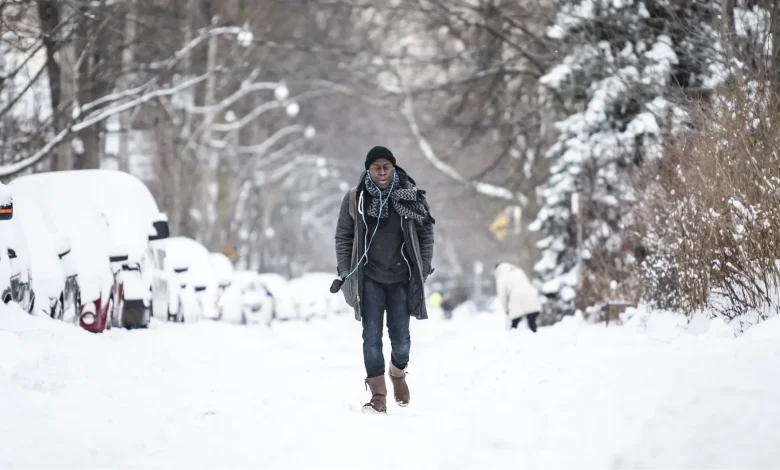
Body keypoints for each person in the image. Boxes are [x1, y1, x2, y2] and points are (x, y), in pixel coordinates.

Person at [333, 146, 435, 414]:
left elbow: (426, 235)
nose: (381, 172)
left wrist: (422, 269)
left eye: (386, 167)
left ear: (393, 168)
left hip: (401, 278)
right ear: (368, 169)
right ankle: (378, 396)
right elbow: (343, 237)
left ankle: (398, 373)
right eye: (376, 167)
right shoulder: (356, 199)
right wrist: (346, 271)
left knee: (401, 340)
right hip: (370, 279)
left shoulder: (411, 197)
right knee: (371, 337)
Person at [493, 262, 542, 332]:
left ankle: (512, 339)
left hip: (517, 299)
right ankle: (536, 337)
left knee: (514, 324)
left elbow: (502, 296)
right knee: (532, 323)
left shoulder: (501, 277)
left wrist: (506, 309)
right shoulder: (518, 271)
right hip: (531, 296)